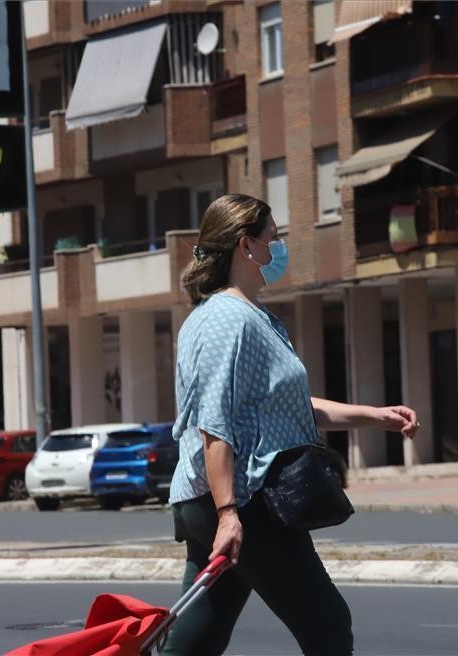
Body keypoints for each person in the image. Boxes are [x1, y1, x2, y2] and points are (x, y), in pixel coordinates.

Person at [159, 194, 419, 656]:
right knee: (328, 624)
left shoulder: (246, 316)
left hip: (217, 498)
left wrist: (374, 417)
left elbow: (287, 405)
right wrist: (228, 514)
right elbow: (214, 424)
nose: (278, 250)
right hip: (244, 498)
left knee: (198, 638)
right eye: (273, 240)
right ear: (246, 246)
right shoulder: (227, 319)